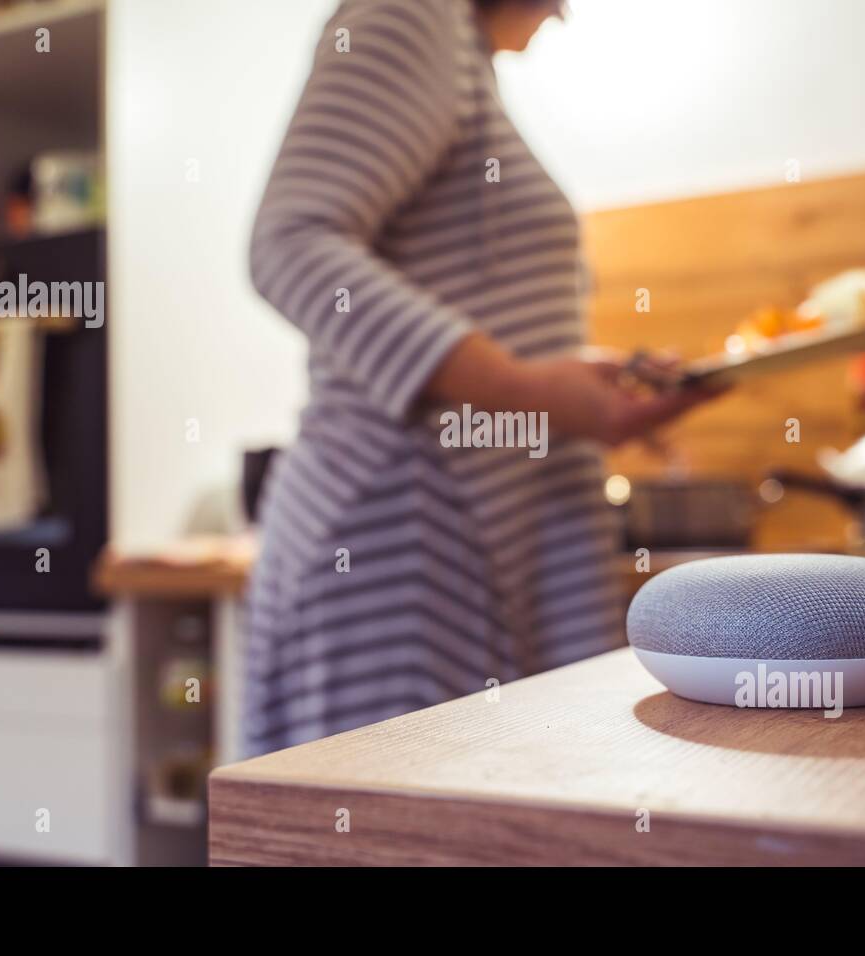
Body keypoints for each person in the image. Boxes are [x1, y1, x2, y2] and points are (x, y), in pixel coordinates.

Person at [243, 0, 727, 755]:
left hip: (453, 544)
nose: (563, 17)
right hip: (402, 550)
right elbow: (290, 243)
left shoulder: (458, 52)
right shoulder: (406, 14)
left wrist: (573, 382)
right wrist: (529, 393)